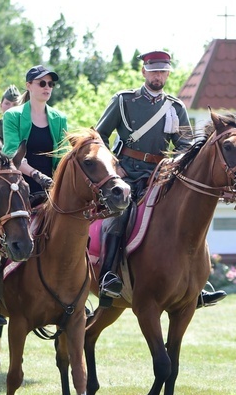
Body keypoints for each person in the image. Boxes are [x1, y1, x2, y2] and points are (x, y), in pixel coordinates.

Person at [95, 50, 226, 308]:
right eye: (153, 70)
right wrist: (113, 167)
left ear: (168, 73)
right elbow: (99, 135)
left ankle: (195, 285)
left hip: (159, 175)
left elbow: (185, 146)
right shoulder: (124, 100)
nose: (158, 75)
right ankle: (108, 276)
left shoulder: (175, 107)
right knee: (120, 216)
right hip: (127, 174)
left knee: (187, 216)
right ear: (144, 72)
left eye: (162, 70)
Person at [2, 65, 68, 199]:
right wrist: (37, 175)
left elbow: (64, 155)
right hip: (18, 187)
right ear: (29, 85)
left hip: (51, 188)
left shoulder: (60, 118)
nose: (47, 87)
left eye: (50, 84)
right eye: (42, 83)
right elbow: (11, 153)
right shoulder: (12, 116)